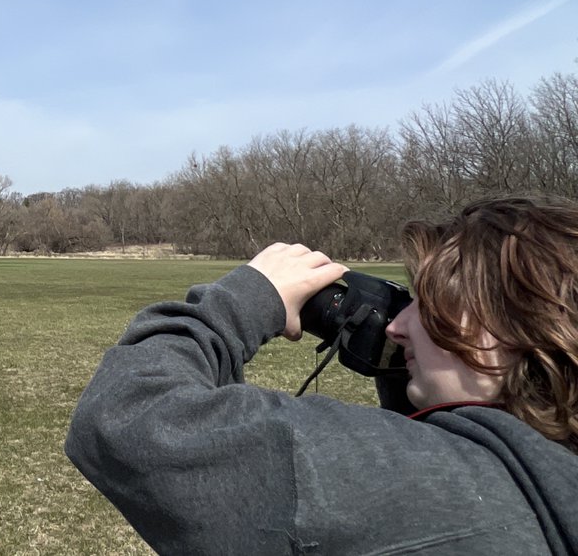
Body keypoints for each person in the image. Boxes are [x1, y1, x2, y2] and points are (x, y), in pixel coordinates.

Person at [65, 196, 578, 555]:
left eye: (434, 304)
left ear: (524, 329)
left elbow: (125, 414)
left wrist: (246, 300)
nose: (397, 326)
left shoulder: (417, 489)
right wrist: (410, 372)